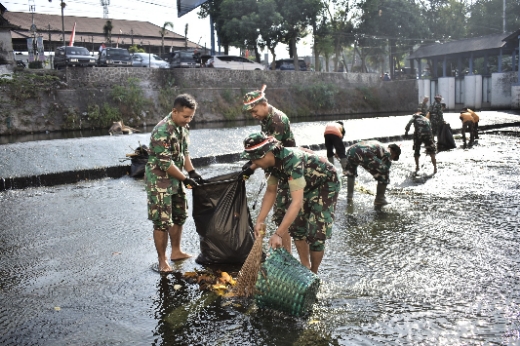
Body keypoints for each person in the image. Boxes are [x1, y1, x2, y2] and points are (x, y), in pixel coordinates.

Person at [241, 133, 340, 274]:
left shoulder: (292, 161)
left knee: (317, 232)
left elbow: (296, 202)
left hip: (324, 183)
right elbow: (271, 191)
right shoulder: (270, 164)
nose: (254, 163)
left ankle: (314, 272)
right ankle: (305, 267)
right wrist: (260, 220)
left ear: (267, 153)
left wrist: (279, 234)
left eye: (255, 159)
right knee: (297, 226)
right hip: (303, 184)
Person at [145, 94, 203, 273]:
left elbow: (184, 152)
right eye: (185, 116)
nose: (188, 120)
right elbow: (165, 163)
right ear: (174, 111)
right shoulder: (162, 131)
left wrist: (192, 171)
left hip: (176, 178)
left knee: (179, 214)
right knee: (161, 221)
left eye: (191, 117)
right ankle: (162, 260)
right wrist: (185, 178)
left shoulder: (183, 127)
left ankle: (176, 252)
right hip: (159, 181)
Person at [241, 84, 296, 253]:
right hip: (274, 168)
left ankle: (288, 256)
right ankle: (287, 254)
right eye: (250, 112)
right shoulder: (265, 119)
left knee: (282, 213)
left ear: (264, 104)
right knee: (278, 212)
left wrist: (252, 167)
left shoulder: (276, 120)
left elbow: (270, 152)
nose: (253, 115)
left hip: (287, 171)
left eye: (254, 110)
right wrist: (252, 163)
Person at [344, 140, 401, 206]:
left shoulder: (378, 145)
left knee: (351, 174)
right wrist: (383, 183)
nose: (392, 158)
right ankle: (379, 199)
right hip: (365, 152)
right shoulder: (388, 152)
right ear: (395, 153)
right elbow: (384, 170)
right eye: (394, 157)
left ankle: (349, 197)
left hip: (351, 150)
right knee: (384, 172)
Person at [405, 108, 437, 174]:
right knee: (432, 152)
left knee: (416, 150)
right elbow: (430, 130)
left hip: (418, 134)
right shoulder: (426, 119)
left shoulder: (415, 116)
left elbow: (409, 124)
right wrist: (432, 140)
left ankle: (417, 167)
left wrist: (406, 132)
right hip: (428, 135)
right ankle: (435, 168)